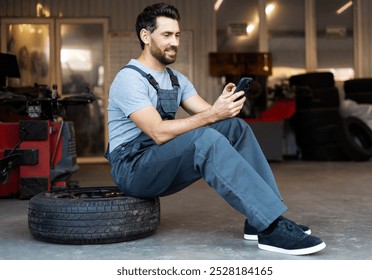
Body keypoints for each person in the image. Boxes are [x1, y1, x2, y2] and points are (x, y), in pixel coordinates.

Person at [106, 2, 326, 256]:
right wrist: (212, 114)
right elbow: (158, 131)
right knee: (204, 140)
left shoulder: (177, 79)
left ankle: (261, 219)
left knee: (233, 128)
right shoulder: (129, 78)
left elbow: (210, 117)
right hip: (133, 168)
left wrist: (222, 107)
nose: (174, 42)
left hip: (160, 157)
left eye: (177, 35)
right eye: (166, 35)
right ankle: (271, 226)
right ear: (146, 36)